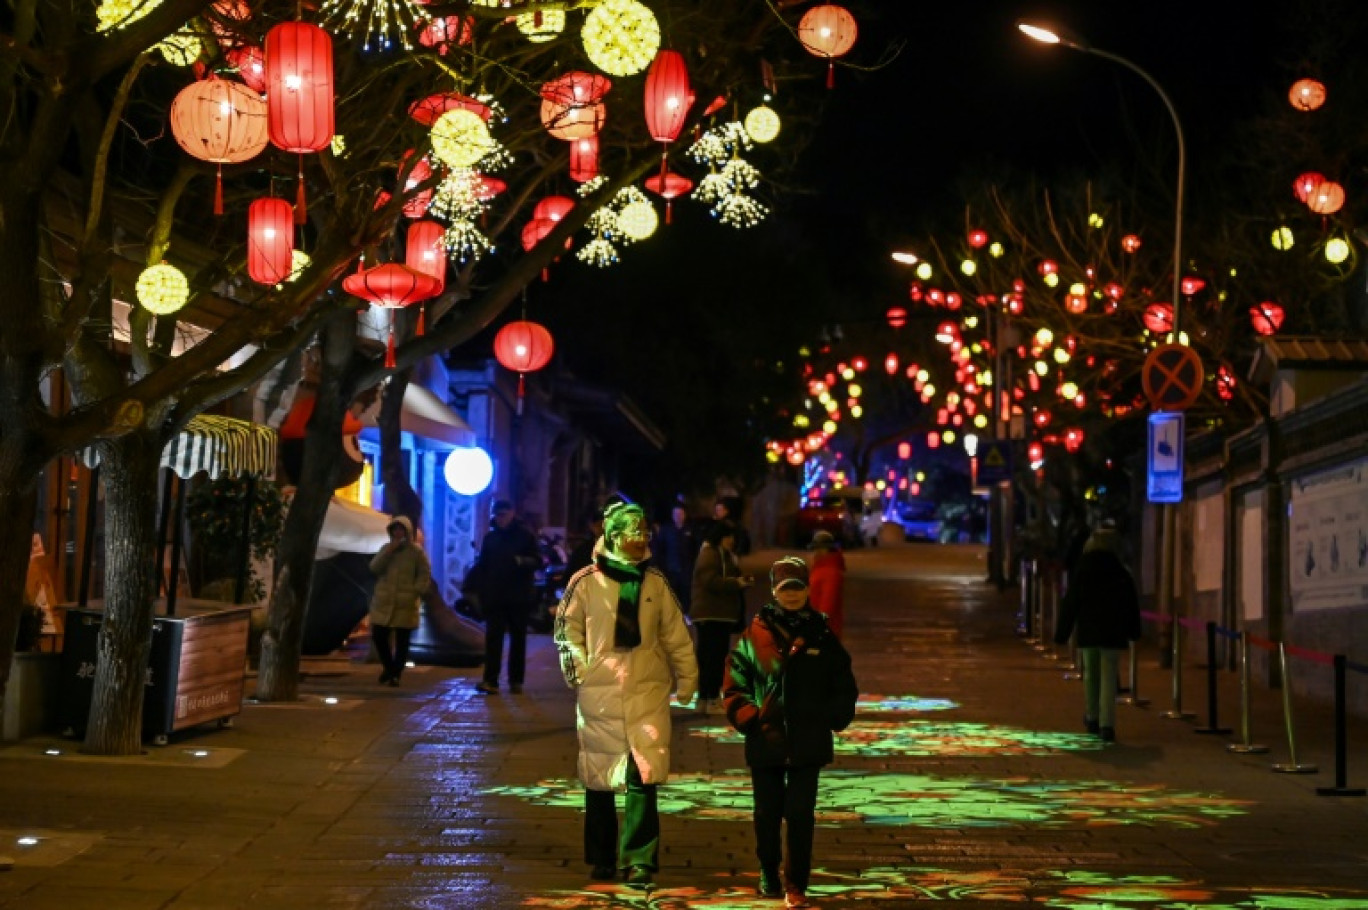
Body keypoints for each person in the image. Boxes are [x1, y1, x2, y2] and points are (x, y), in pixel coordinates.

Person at [554, 500, 699, 890]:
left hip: (647, 693)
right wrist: (581, 673)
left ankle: (639, 858)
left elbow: (676, 636)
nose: (640, 540)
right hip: (600, 696)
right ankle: (601, 857)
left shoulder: (655, 584)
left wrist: (687, 679)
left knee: (642, 777)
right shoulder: (585, 583)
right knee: (599, 779)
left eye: (643, 533)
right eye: (632, 533)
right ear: (612, 535)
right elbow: (567, 633)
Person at [724, 556, 858, 908]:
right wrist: (750, 717)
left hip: (807, 740)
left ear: (806, 589)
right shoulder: (755, 634)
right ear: (774, 591)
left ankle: (796, 882)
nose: (793, 594)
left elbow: (843, 681)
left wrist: (832, 716)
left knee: (800, 815)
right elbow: (735, 681)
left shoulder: (821, 634)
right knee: (766, 814)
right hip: (766, 737)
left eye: (798, 587)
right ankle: (769, 869)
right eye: (786, 588)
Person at [1053, 524, 1141, 742]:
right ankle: (1107, 725)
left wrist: (1062, 633)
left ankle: (1092, 717)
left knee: (1090, 675)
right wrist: (1134, 631)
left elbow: (1071, 602)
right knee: (1109, 677)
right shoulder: (1121, 571)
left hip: (1089, 632)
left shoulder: (1083, 569)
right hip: (1112, 633)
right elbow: (1130, 604)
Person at [472, 499, 542, 695]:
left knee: (517, 639)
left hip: (518, 597)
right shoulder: (491, 539)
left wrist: (521, 561)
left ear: (512, 513)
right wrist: (481, 591)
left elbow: (537, 560)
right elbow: (483, 567)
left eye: (503, 514)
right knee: (493, 639)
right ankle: (490, 680)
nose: (500, 519)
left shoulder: (525, 536)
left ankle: (515, 680)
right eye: (497, 515)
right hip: (495, 597)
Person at [690, 520, 753, 714]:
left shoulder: (724, 555)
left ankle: (705, 698)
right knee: (712, 657)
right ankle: (710, 698)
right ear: (720, 537)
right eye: (729, 537)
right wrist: (737, 583)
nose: (732, 541)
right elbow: (710, 581)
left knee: (711, 656)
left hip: (719, 614)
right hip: (712, 613)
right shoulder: (710, 554)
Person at [368, 516, 431, 686]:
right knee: (379, 635)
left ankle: (396, 673)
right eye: (394, 529)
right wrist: (388, 552)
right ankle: (389, 668)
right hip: (384, 600)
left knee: (403, 641)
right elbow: (374, 567)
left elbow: (424, 574)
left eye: (400, 529)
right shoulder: (386, 549)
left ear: (407, 531)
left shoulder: (416, 552)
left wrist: (415, 591)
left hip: (405, 601)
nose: (397, 533)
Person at [652, 501, 698, 612]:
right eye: (675, 514)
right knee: (672, 594)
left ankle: (686, 615)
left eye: (680, 514)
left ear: (685, 514)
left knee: (686, 594)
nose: (678, 516)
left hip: (687, 570)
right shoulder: (666, 529)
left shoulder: (691, 529)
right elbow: (659, 549)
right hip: (671, 569)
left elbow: (697, 548)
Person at [807, 530, 847, 638]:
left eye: (821, 548)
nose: (817, 552)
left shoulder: (830, 571)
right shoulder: (819, 568)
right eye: (816, 548)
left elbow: (828, 602)